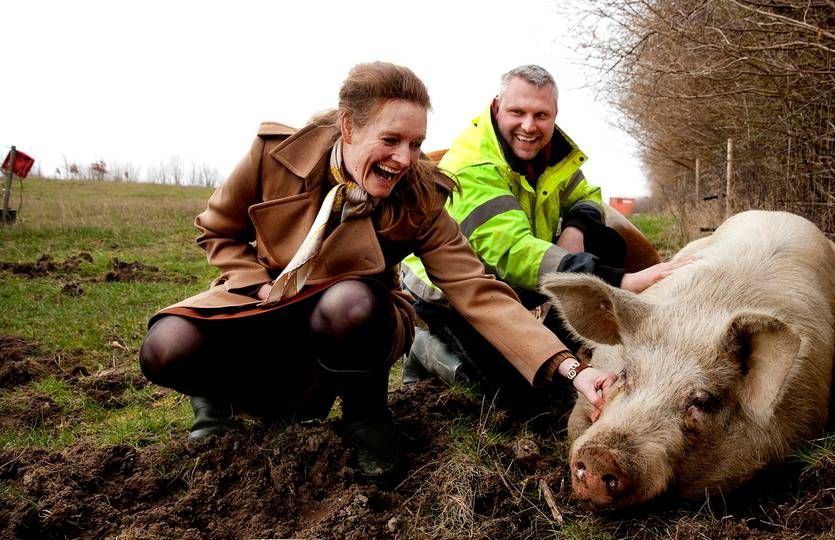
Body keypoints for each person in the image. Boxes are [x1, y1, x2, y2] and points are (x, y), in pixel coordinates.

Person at [138, 62, 616, 484]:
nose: (404, 159)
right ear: (348, 126)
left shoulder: (421, 195)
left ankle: (366, 416)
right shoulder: (273, 155)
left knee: (352, 300)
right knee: (166, 347)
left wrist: (571, 369)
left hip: (352, 320)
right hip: (265, 302)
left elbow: (476, 290)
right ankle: (214, 398)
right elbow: (217, 230)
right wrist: (256, 282)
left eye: (416, 143)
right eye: (390, 140)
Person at [401, 64, 691, 394]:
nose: (529, 126)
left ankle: (560, 348)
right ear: (497, 107)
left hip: (518, 277)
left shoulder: (552, 153)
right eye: (517, 112)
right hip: (457, 292)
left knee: (605, 240)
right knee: (507, 391)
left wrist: (576, 228)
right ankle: (424, 350)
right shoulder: (472, 165)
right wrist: (618, 280)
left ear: (554, 115)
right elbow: (512, 253)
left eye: (541, 115)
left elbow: (587, 197)